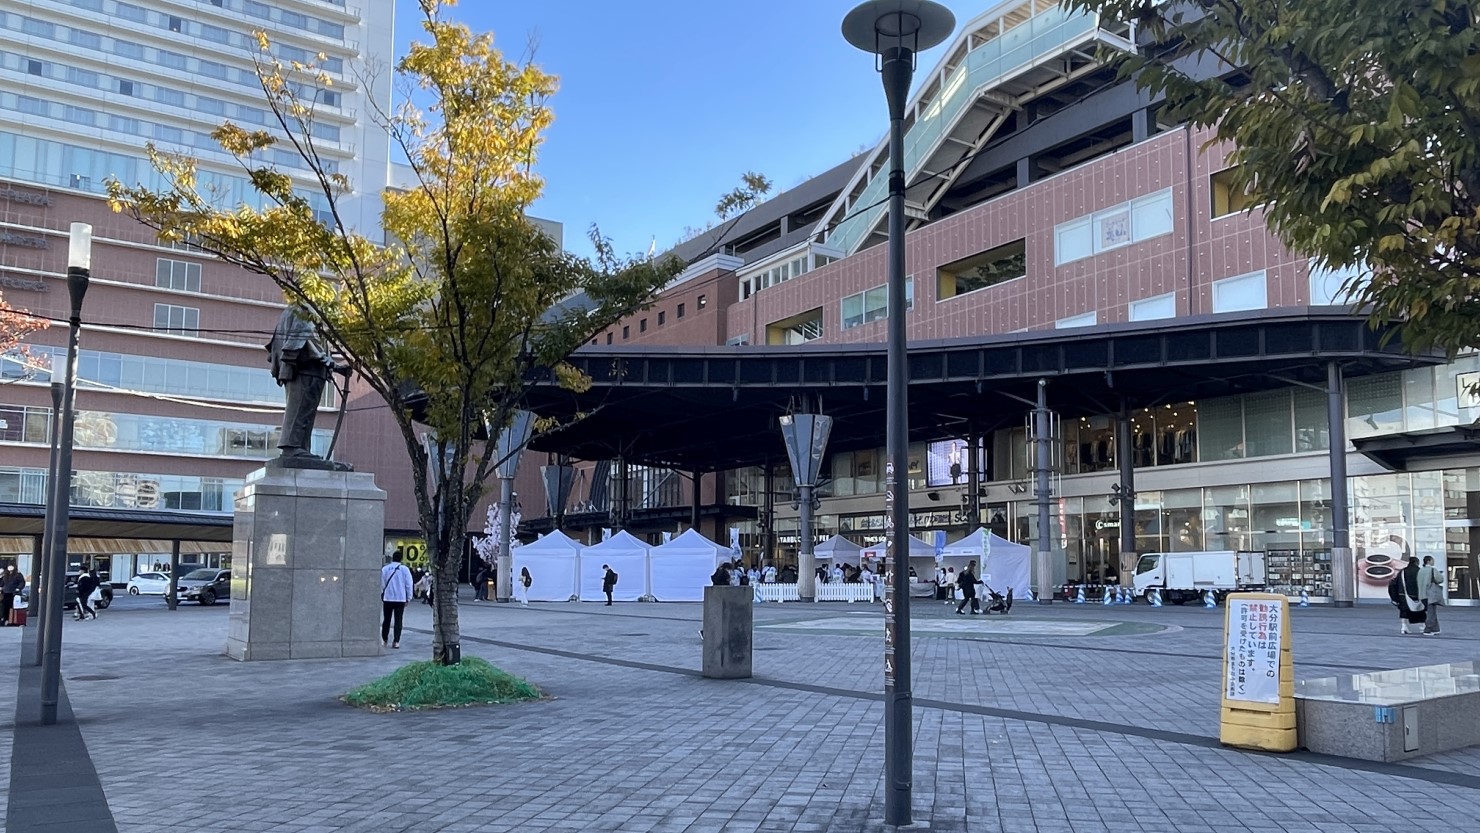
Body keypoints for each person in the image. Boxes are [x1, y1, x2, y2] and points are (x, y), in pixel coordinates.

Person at [380, 552, 413, 648]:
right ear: (401, 559)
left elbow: (381, 584)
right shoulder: (405, 569)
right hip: (400, 598)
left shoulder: (385, 569)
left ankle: (384, 639)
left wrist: (382, 594)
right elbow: (409, 584)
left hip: (388, 598)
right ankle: (396, 641)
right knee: (398, 620)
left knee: (387, 619)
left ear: (392, 558)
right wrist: (409, 597)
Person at [1388, 558, 1426, 635]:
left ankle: (1404, 627)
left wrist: (1395, 597)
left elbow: (1395, 583)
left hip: (1403, 595)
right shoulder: (1420, 571)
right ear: (1417, 562)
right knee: (1421, 611)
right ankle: (1423, 627)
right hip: (1418, 595)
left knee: (1404, 611)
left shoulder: (1402, 572)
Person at [1418, 555, 1445, 635]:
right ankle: (1428, 629)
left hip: (1422, 594)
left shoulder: (1420, 571)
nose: (1433, 561)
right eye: (1432, 560)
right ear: (1429, 561)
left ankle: (1436, 628)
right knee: (1431, 612)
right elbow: (1440, 579)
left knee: (1431, 611)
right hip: (1431, 594)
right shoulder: (1433, 570)